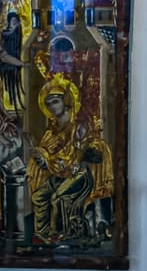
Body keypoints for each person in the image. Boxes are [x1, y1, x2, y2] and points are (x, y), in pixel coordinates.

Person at [28, 74, 110, 246]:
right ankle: (42, 233)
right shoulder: (50, 133)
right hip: (58, 174)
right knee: (38, 196)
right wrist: (42, 157)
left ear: (66, 102)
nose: (51, 106)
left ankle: (63, 234)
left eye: (55, 101)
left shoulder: (78, 128)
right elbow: (47, 158)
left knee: (56, 198)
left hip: (78, 175)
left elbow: (89, 151)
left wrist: (80, 156)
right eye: (48, 104)